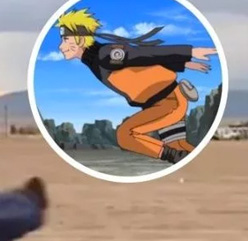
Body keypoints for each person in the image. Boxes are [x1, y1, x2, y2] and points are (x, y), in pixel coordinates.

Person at [55, 8, 218, 164]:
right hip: (165, 101)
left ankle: (175, 157)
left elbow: (141, 54)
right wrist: (181, 63)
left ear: (80, 39)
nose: (61, 46)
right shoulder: (96, 59)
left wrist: (189, 52)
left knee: (125, 134)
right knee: (180, 147)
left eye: (66, 40)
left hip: (167, 102)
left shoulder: (104, 55)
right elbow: (141, 62)